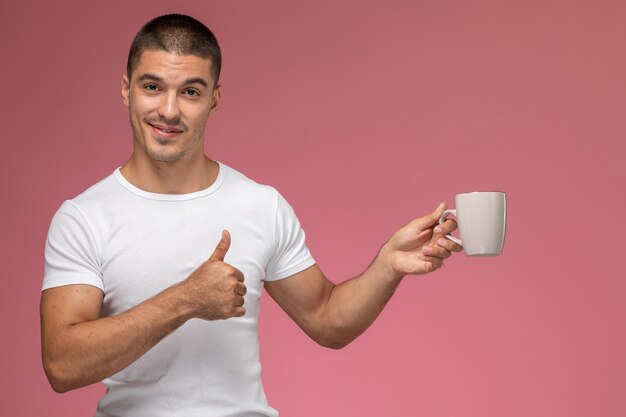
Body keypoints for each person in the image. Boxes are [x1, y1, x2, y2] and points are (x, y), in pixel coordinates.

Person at [40, 13, 461, 417]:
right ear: (126, 89)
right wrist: (185, 300)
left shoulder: (260, 204)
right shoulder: (84, 218)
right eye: (153, 87)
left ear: (214, 100)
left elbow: (327, 319)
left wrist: (387, 265)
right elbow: (62, 365)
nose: (169, 110)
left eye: (190, 91)